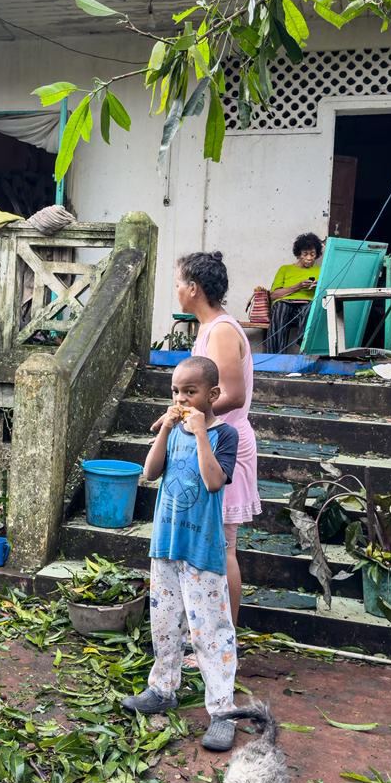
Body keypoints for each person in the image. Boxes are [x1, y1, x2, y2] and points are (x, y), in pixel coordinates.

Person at [121, 356, 240, 752]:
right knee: (164, 623)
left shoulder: (225, 436)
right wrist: (167, 429)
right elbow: (150, 472)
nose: (181, 399)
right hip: (166, 543)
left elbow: (213, 481)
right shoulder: (172, 430)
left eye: (190, 391)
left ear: (213, 394)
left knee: (210, 632)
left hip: (201, 549)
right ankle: (163, 688)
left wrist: (201, 433)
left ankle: (223, 711)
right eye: (176, 391)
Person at [175, 252, 261, 625]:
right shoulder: (207, 328)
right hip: (207, 440)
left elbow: (233, 395)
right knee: (207, 544)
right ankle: (205, 630)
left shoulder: (222, 331)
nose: (177, 290)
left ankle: (224, 637)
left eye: (179, 283)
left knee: (223, 547)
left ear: (193, 288)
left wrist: (188, 418)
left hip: (226, 443)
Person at [262, 232, 324, 354]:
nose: (309, 258)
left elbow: (326, 293)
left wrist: (318, 287)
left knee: (310, 308)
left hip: (306, 305)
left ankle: (304, 346)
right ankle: (275, 354)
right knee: (281, 308)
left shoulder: (320, 270)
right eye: (305, 254)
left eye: (312, 254)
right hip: (285, 304)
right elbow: (273, 295)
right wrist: (298, 286)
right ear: (299, 254)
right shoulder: (285, 269)